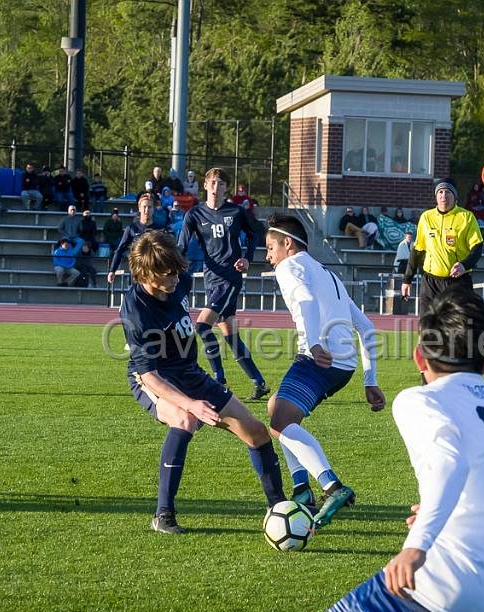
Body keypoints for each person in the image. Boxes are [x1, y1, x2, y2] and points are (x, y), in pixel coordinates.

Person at [279, 287, 484, 612]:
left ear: (420, 356)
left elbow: (447, 466)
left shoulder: (420, 400)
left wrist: (416, 547)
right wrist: (447, 518)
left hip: (446, 584)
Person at [121, 229, 287, 533]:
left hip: (190, 373)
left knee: (257, 433)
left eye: (176, 271)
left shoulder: (179, 280)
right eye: (166, 274)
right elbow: (149, 375)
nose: (175, 279)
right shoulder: (136, 311)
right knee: (185, 420)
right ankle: (163, 514)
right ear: (146, 273)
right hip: (154, 379)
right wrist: (192, 405)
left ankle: (279, 508)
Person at [263, 214, 384, 527]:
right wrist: (370, 381)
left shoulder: (289, 266)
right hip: (343, 368)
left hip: (318, 359)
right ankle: (302, 489)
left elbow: (303, 300)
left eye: (270, 247)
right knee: (275, 406)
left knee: (278, 424)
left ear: (287, 244)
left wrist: (315, 344)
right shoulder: (327, 273)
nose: (268, 255)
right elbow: (367, 327)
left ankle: (333, 487)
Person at [178, 167, 269, 399]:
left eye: (221, 183)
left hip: (229, 278)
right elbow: (182, 245)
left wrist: (247, 259)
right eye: (212, 183)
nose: (216, 188)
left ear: (226, 187)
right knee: (230, 334)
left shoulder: (237, 212)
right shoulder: (194, 215)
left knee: (201, 326)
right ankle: (259, 383)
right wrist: (176, 264)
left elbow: (254, 235)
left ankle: (219, 381)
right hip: (211, 278)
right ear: (205, 185)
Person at [402, 178, 484, 311]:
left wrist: (464, 265)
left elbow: (477, 247)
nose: (443, 196)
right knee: (427, 328)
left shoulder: (466, 217)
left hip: (457, 282)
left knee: (459, 328)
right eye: (440, 192)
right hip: (430, 283)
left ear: (455, 196)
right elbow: (417, 251)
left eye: (447, 192)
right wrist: (407, 280)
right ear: (436, 196)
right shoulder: (426, 217)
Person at [108, 193, 161, 284]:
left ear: (153, 209)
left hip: (154, 274)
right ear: (139, 208)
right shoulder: (132, 228)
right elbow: (120, 250)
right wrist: (112, 270)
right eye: (144, 207)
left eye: (150, 207)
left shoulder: (159, 229)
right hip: (137, 273)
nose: (146, 210)